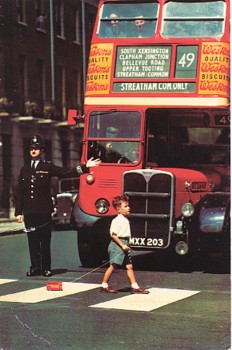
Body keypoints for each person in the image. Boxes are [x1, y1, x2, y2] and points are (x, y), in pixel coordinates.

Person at [15, 135, 101, 277]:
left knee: (44, 240)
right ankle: (35, 267)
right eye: (31, 148)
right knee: (32, 241)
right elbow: (21, 192)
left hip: (43, 211)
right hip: (30, 212)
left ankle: (46, 268)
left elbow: (66, 173)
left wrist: (86, 167)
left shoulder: (48, 166)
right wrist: (19, 212)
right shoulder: (24, 169)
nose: (33, 151)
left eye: (36, 148)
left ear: (42, 150)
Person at [100, 195, 149, 294]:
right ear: (118, 209)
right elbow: (114, 235)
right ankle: (104, 285)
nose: (128, 208)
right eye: (125, 206)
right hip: (117, 245)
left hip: (125, 243)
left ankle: (134, 286)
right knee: (113, 266)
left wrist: (126, 244)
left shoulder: (125, 219)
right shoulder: (116, 220)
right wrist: (122, 245)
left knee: (129, 266)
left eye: (128, 206)